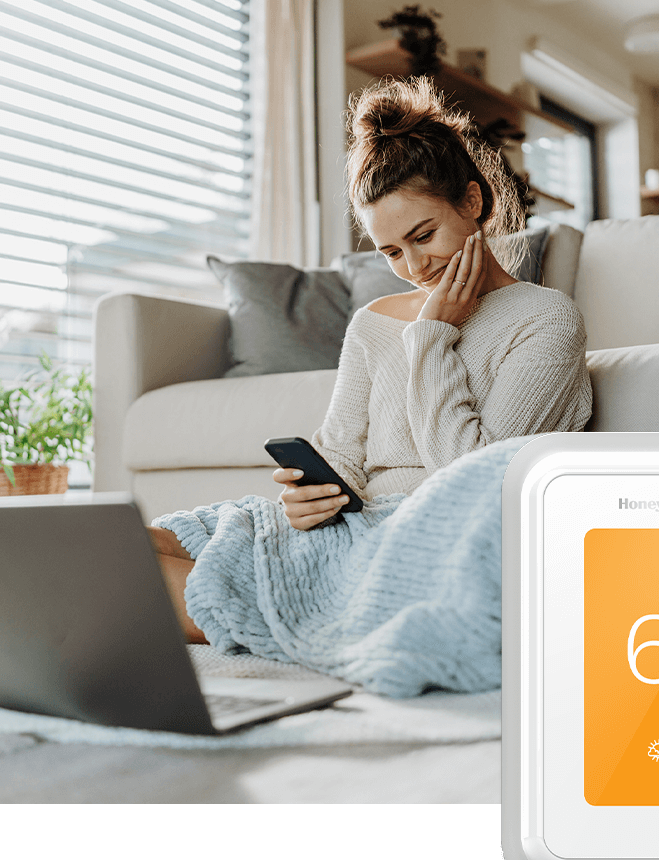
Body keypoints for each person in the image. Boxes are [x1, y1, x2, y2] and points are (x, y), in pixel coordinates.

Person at [149, 75, 592, 644]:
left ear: (473, 202)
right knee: (131, 543)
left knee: (144, 581)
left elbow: (476, 486)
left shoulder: (545, 320)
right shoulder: (374, 321)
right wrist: (308, 498)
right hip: (349, 527)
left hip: (421, 540)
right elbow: (340, 454)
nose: (415, 266)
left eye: (424, 234)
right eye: (391, 251)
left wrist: (433, 337)